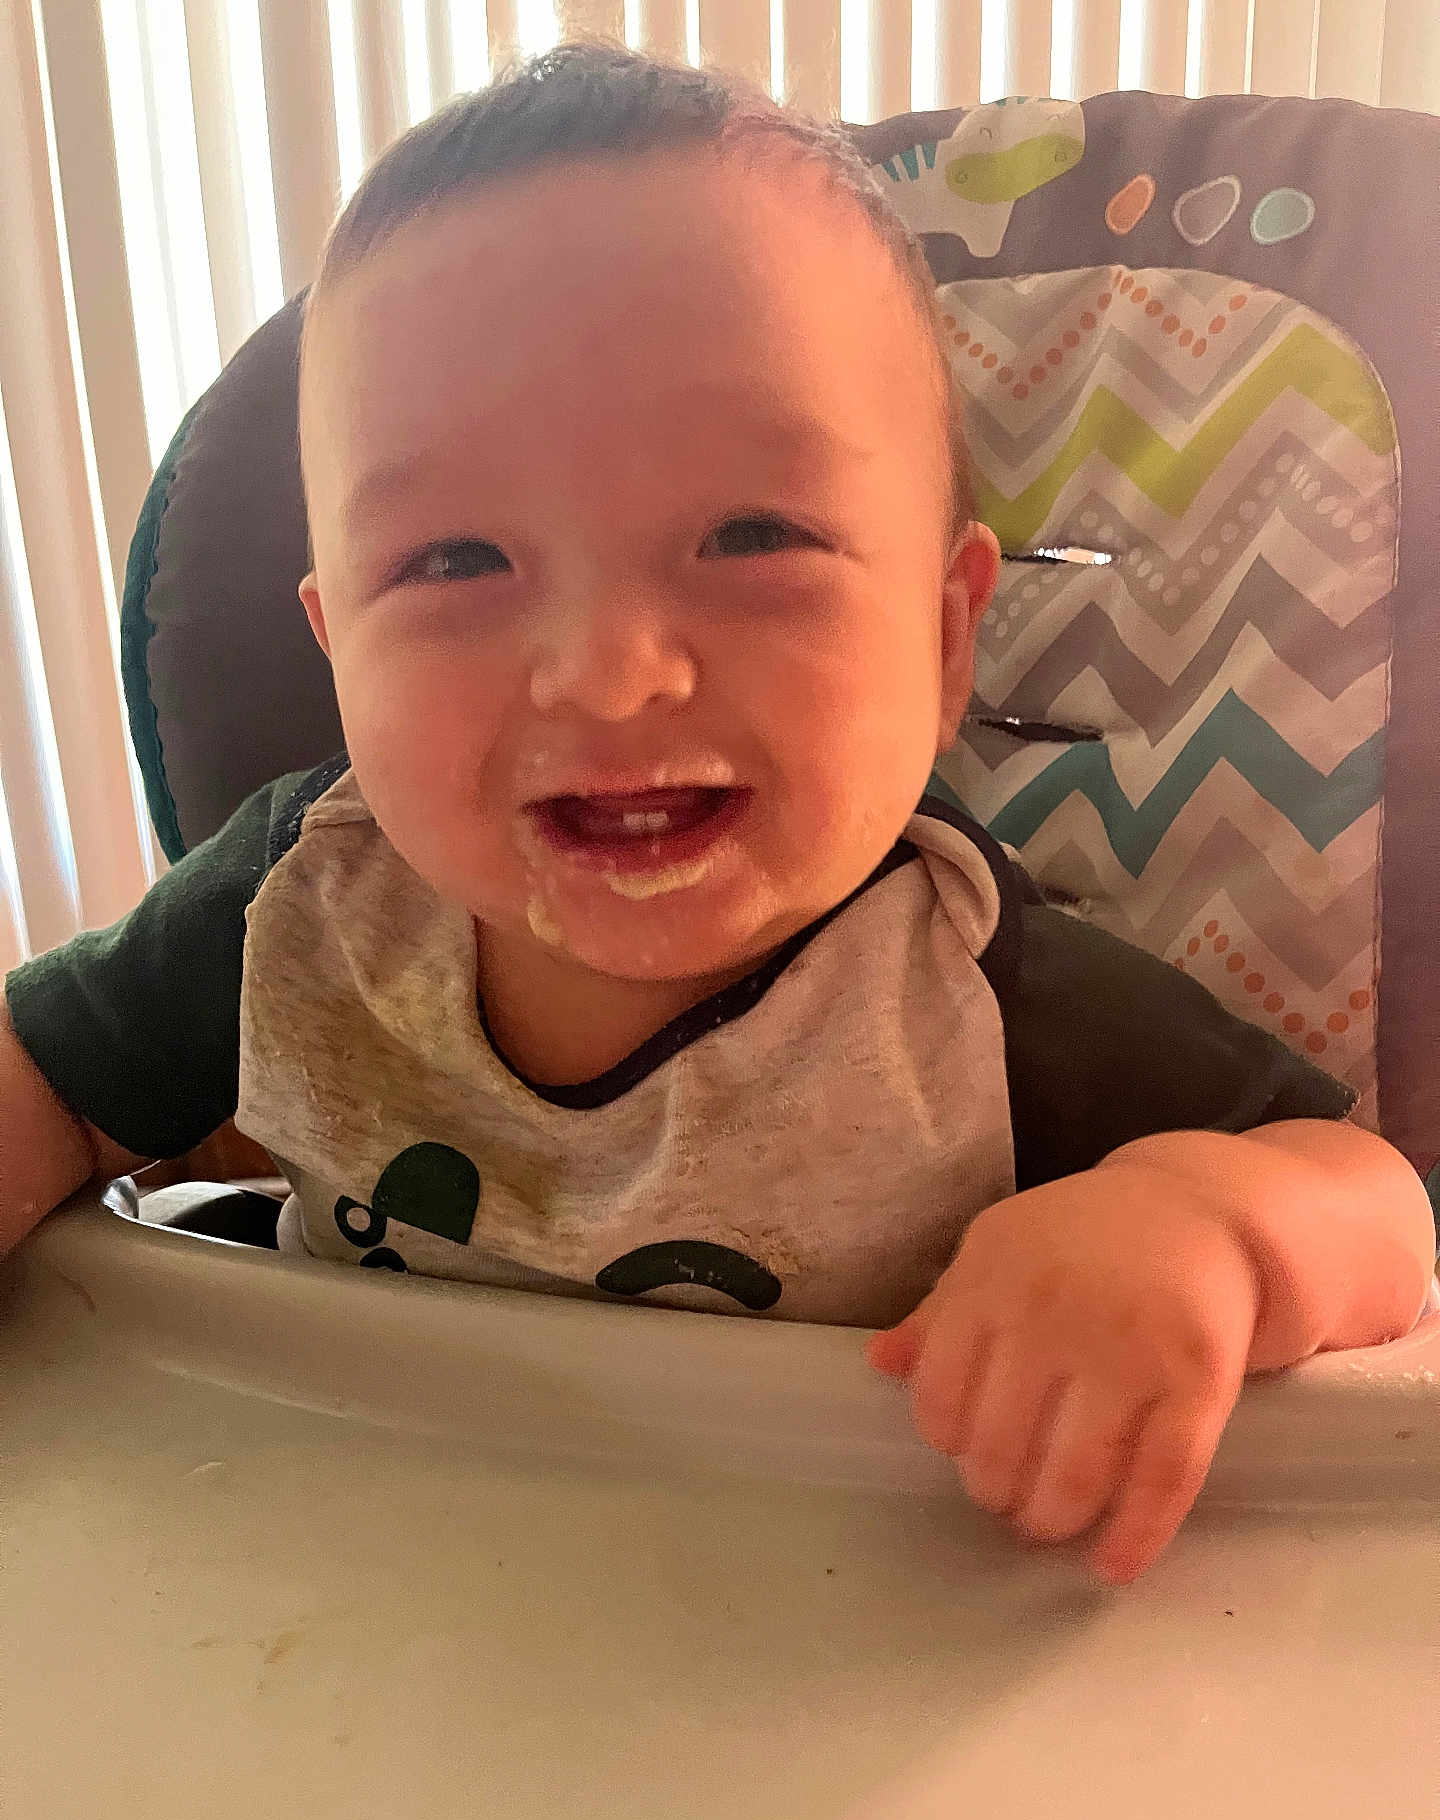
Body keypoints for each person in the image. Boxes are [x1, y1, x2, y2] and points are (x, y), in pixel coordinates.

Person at [1, 46, 1432, 1585]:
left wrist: (1200, 1235)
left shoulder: (962, 988)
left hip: (824, 1637)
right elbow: (50, 1083)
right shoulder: (293, 901)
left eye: (751, 534)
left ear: (946, 638)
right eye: (455, 563)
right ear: (336, 642)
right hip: (349, 1609)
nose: (610, 676)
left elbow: (1369, 1199)